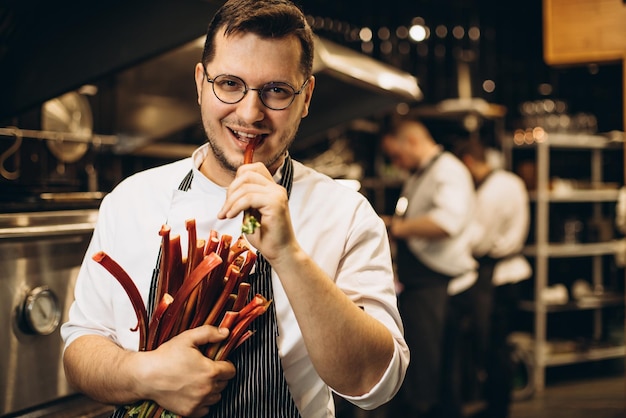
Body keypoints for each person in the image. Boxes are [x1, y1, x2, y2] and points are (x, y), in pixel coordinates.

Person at [60, 1, 409, 417]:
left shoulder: (346, 214)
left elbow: (375, 384)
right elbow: (81, 349)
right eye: (229, 84)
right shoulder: (132, 200)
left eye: (276, 90)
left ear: (306, 97)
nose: (249, 113)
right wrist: (143, 373)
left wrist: (289, 257)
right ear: (200, 83)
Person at [380, 117, 477, 418]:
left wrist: (395, 227)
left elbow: (445, 223)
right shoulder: (422, 173)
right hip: (420, 281)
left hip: (437, 281)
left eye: (396, 155)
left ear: (411, 141)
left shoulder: (448, 171)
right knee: (426, 366)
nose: (396, 163)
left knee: (431, 370)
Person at [454, 138, 532, 418]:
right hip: (512, 274)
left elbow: (480, 241)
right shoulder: (511, 181)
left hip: (497, 276)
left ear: (469, 163)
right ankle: (498, 404)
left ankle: (497, 408)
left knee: (493, 346)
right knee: (499, 344)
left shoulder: (490, 192)